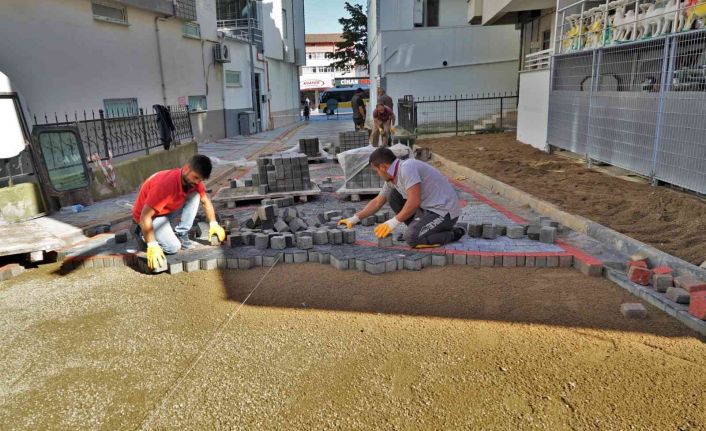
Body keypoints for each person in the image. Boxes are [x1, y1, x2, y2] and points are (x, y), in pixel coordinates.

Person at [338, 147, 464, 248]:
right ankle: (419, 229)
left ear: (383, 167)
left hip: (444, 212)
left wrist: (393, 222)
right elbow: (377, 202)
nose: (377, 174)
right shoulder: (392, 178)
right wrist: (354, 219)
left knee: (412, 239)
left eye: (376, 171)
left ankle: (453, 233)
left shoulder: (407, 168)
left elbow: (414, 202)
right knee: (393, 196)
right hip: (428, 210)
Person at [132, 154, 226, 270]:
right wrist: (152, 245)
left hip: (165, 210)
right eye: (196, 177)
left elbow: (205, 201)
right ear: (186, 168)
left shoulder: (194, 183)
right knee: (173, 247)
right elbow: (144, 216)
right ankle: (142, 233)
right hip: (148, 217)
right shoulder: (165, 185)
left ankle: (182, 234)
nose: (197, 182)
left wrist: (213, 224)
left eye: (200, 180)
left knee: (196, 195)